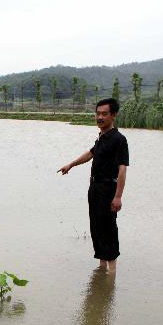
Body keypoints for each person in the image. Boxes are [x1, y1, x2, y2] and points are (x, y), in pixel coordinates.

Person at [57, 98, 129, 273]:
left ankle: (111, 274)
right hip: (95, 189)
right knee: (96, 227)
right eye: (98, 113)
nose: (100, 117)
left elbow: (122, 169)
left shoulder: (119, 139)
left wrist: (118, 196)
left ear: (113, 115)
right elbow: (90, 154)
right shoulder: (102, 137)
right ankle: (101, 268)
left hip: (108, 190)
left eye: (104, 114)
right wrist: (71, 164)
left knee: (108, 228)